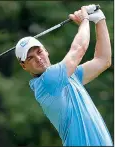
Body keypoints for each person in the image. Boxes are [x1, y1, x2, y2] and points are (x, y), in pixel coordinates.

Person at [15, 5, 113, 146]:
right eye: (30, 58)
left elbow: (103, 60)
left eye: (39, 51)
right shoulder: (47, 81)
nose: (38, 58)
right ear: (24, 66)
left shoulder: (70, 76)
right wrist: (85, 20)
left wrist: (99, 20)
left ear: (46, 51)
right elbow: (79, 49)